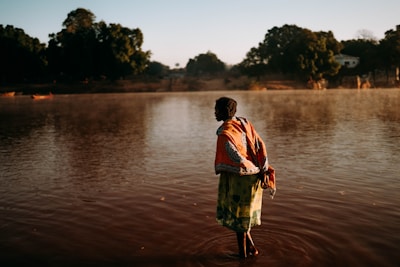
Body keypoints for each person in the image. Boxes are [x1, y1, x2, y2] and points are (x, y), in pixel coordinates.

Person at [214, 96, 276, 258]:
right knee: (243, 216)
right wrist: (261, 169)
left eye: (217, 109)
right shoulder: (244, 123)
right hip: (255, 176)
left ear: (223, 111)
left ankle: (242, 256)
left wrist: (244, 167)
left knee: (239, 217)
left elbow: (233, 156)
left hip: (240, 179)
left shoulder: (225, 132)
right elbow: (259, 144)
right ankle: (252, 248)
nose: (214, 113)